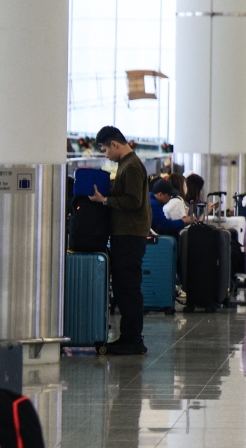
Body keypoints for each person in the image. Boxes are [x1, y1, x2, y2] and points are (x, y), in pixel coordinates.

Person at [89, 125, 151, 355]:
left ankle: (133, 340)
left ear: (114, 144)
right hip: (126, 234)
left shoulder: (131, 166)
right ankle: (128, 337)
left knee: (128, 288)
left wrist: (105, 200)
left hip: (130, 235)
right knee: (124, 287)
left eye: (105, 149)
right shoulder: (126, 164)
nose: (106, 154)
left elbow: (134, 201)